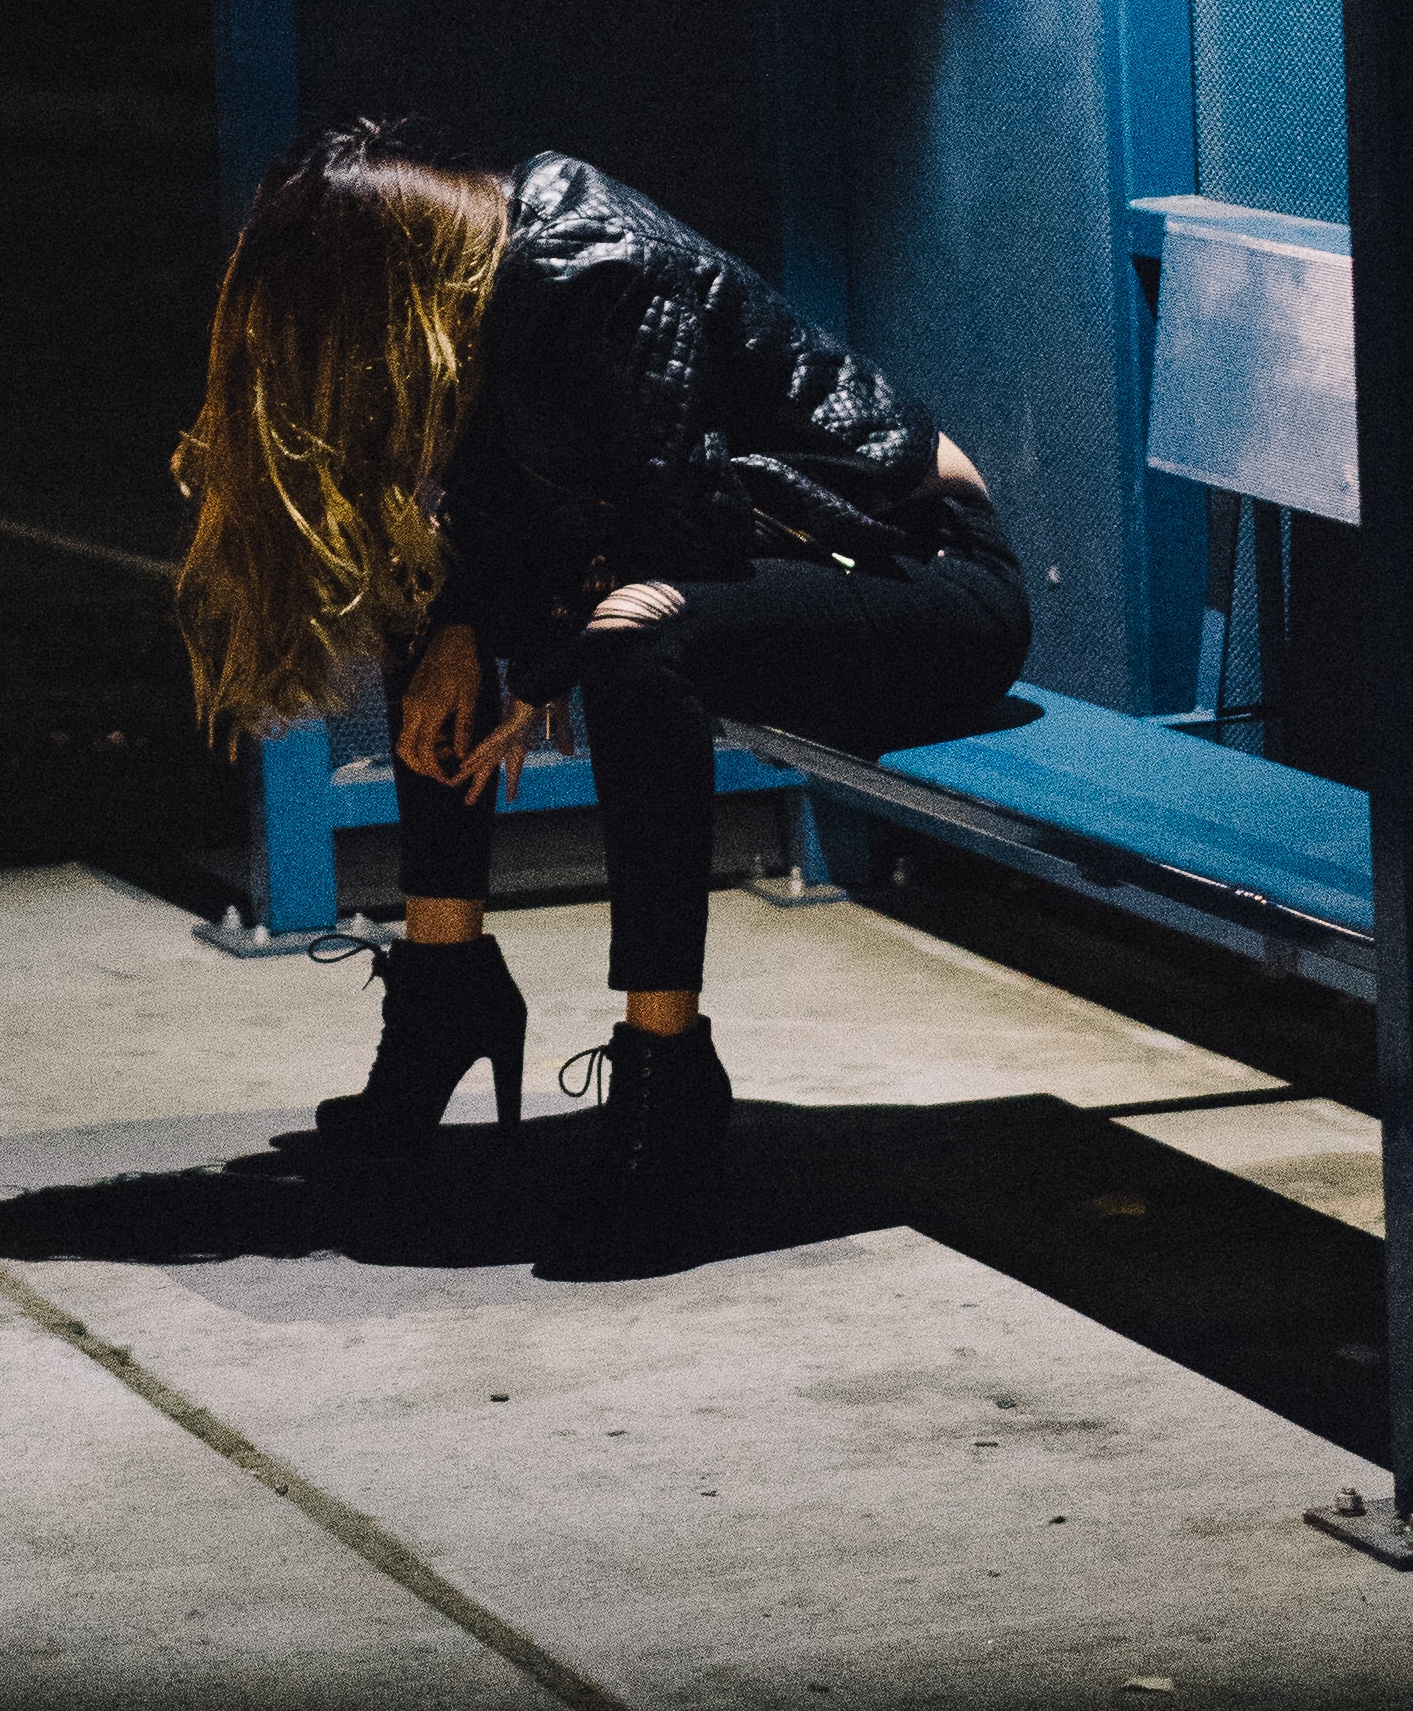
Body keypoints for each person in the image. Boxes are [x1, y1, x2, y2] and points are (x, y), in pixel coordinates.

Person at [171, 121, 1028, 1277]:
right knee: (443, 625)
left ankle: (666, 1073)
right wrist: (477, 634)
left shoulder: (593, 262)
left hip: (918, 584)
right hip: (761, 571)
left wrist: (539, 672)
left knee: (633, 647)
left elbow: (677, 521)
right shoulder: (475, 292)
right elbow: (514, 510)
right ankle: (444, 983)